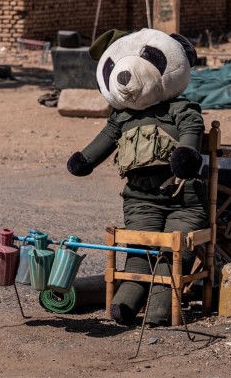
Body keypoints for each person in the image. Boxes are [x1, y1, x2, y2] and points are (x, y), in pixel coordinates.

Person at [65, 28, 208, 326]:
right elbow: (103, 142)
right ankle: (126, 305)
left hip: (183, 200)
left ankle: (159, 311)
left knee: (171, 251)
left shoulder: (180, 110)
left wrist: (186, 155)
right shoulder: (122, 118)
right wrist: (84, 160)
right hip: (140, 200)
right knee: (138, 253)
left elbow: (192, 131)